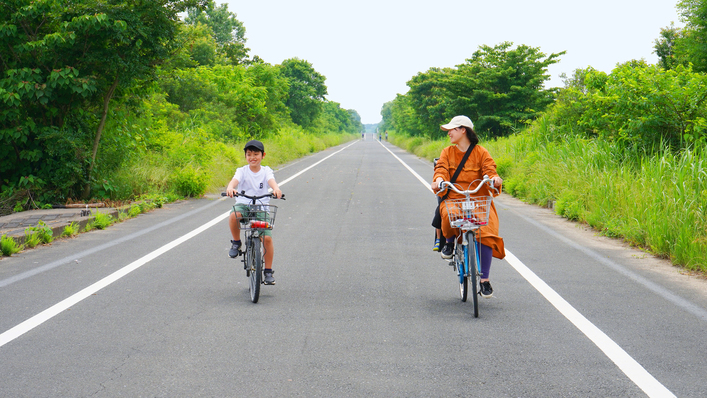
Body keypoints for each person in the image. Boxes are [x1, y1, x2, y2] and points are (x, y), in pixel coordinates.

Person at [431, 115, 504, 298]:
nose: (449, 133)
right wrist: (439, 180)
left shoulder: (481, 152)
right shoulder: (447, 152)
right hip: (454, 196)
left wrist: (495, 179)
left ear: (463, 130)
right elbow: (440, 169)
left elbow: (490, 170)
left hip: (478, 198)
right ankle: (448, 243)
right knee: (448, 214)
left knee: (486, 231)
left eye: (452, 129)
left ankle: (484, 280)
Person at [226, 140, 283, 285]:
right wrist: (231, 188)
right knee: (234, 215)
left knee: (267, 239)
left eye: (256, 154)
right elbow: (234, 181)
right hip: (244, 204)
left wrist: (276, 189)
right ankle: (236, 242)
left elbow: (271, 181)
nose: (252, 157)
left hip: (261, 207)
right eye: (249, 154)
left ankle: (268, 271)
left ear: (263, 155)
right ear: (245, 156)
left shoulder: (266, 171)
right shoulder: (242, 171)